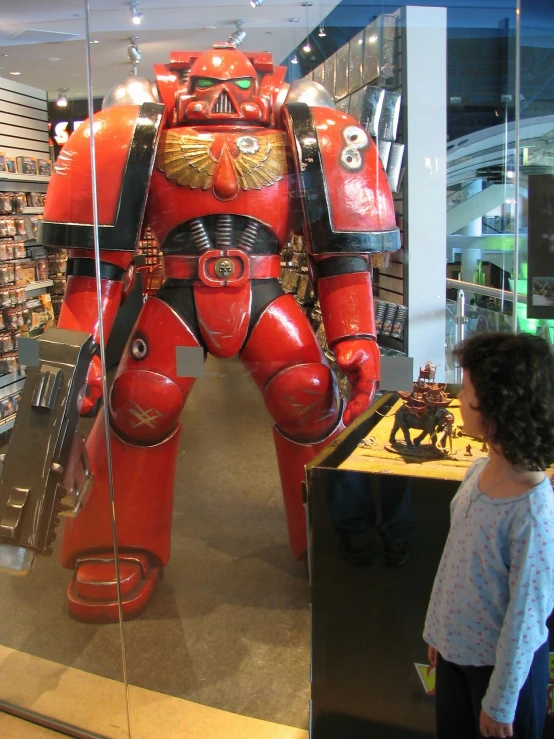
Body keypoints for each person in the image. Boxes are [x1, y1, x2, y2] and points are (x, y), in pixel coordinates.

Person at [423, 332, 554, 739]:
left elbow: (526, 619)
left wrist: (500, 701)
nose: (458, 399)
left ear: (498, 407)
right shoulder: (477, 471)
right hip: (455, 657)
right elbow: (453, 562)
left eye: (466, 391)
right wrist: (437, 632)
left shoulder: (532, 510)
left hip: (501, 679)